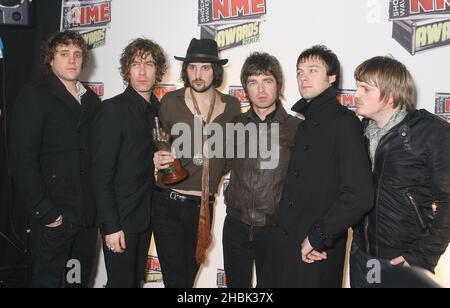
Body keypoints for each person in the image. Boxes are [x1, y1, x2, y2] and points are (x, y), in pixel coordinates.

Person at [261, 45, 374, 288]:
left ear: (331, 78)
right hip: (283, 247)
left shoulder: (345, 124)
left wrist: (318, 237)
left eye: (313, 70)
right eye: (299, 72)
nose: (303, 77)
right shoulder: (304, 124)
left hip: (314, 253)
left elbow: (360, 195)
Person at [9, 31, 102, 288]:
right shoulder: (35, 95)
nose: (71, 60)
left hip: (85, 218)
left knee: (77, 281)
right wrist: (46, 211)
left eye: (77, 54)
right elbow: (21, 159)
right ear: (51, 60)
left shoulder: (92, 101)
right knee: (47, 283)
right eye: (64, 54)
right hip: (53, 218)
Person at [350, 56, 450, 288]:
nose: (356, 95)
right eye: (356, 86)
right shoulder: (360, 131)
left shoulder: (431, 133)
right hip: (362, 255)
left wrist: (422, 257)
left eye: (365, 88)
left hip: (404, 260)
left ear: (391, 95)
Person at [152, 38, 241, 288]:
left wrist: (213, 169)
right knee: (174, 280)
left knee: (187, 280)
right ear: (185, 70)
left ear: (216, 71)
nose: (198, 74)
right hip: (167, 203)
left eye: (205, 67)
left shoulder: (232, 106)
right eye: (192, 67)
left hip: (203, 206)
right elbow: (159, 141)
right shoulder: (170, 102)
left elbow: (232, 153)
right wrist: (158, 155)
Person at [92, 38, 167, 288]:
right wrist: (111, 227)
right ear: (127, 70)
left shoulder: (160, 111)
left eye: (149, 64)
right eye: (135, 64)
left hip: (146, 217)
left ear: (158, 70)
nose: (142, 71)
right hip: (121, 221)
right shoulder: (113, 110)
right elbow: (101, 175)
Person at [223, 52, 301, 288]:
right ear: (245, 88)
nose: (261, 90)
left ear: (278, 84)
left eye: (267, 81)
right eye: (253, 82)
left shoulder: (297, 128)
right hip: (236, 226)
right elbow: (211, 164)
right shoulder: (233, 125)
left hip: (276, 230)